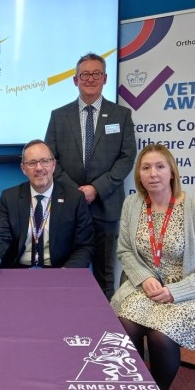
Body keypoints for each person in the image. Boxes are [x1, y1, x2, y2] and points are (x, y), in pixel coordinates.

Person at [110, 144, 195, 390]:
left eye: (159, 166)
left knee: (160, 335)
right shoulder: (132, 205)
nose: (153, 173)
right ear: (139, 175)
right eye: (146, 168)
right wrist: (144, 278)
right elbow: (125, 250)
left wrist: (176, 291)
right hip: (149, 289)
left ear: (172, 172)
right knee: (124, 324)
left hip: (193, 292)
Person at [45, 52, 136, 300]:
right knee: (66, 270)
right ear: (75, 80)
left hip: (106, 207)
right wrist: (76, 191)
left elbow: (127, 158)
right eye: (85, 74)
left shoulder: (121, 115)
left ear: (105, 78)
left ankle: (104, 329)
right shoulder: (58, 116)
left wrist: (96, 188)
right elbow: (50, 159)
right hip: (67, 205)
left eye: (96, 73)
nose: (90, 78)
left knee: (105, 275)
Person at [0, 139, 94, 270]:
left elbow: (85, 247)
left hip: (59, 271)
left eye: (45, 161)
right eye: (32, 163)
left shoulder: (74, 199)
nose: (39, 168)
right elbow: (0, 236)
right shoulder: (9, 197)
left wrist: (65, 273)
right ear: (23, 169)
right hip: (18, 270)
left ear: (53, 165)